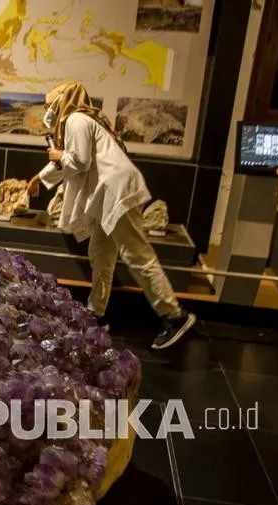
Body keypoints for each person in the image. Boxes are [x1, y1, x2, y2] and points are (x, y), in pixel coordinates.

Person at [29, 81, 196, 350]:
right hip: (107, 196)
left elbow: (78, 161)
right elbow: (73, 160)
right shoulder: (83, 119)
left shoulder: (75, 119)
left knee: (136, 254)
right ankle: (95, 312)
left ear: (61, 103)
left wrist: (58, 154)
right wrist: (40, 175)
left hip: (116, 193)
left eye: (50, 105)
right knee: (101, 253)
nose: (48, 111)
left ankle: (175, 315)